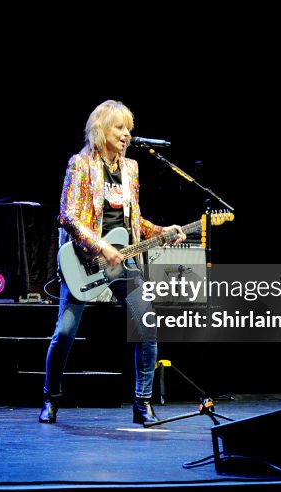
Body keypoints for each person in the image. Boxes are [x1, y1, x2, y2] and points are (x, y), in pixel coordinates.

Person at [40, 100, 183, 424]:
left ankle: (142, 403)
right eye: (120, 128)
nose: (126, 135)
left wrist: (162, 231)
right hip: (84, 260)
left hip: (122, 259)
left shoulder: (130, 168)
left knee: (146, 325)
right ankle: (51, 397)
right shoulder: (81, 164)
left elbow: (134, 221)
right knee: (64, 332)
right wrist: (101, 247)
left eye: (129, 130)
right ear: (101, 129)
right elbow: (68, 216)